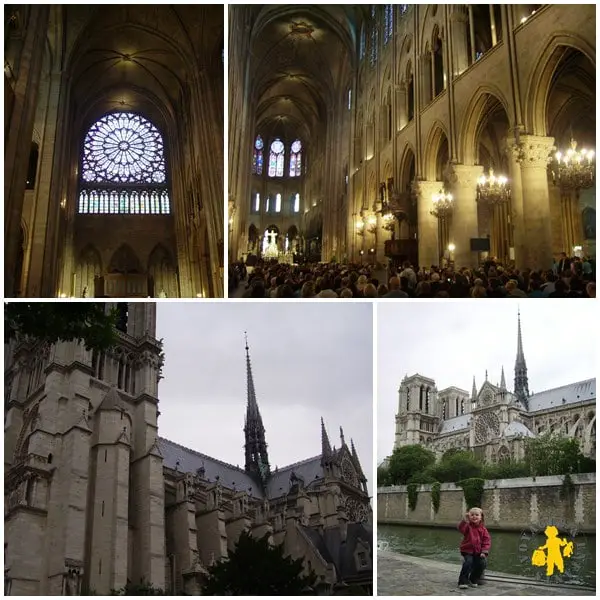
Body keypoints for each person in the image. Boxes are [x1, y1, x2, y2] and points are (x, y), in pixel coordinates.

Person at [457, 507, 491, 589]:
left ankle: (473, 579)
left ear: (481, 517)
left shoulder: (483, 529)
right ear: (469, 516)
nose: (474, 516)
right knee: (468, 562)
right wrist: (464, 520)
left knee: (483, 563)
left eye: (477, 515)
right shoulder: (468, 526)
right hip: (467, 550)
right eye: (472, 515)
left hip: (478, 551)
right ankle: (462, 581)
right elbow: (461, 529)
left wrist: (484, 551)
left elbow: (486, 541)